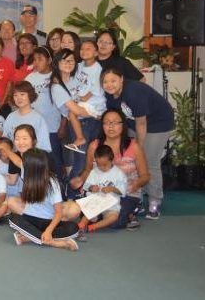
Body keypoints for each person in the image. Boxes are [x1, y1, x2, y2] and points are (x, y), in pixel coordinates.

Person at [101, 68, 173, 219]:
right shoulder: (109, 95)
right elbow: (116, 117)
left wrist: (138, 147)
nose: (109, 85)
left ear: (121, 79)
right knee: (130, 160)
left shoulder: (134, 92)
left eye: (113, 80)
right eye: (105, 82)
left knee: (148, 161)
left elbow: (141, 123)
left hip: (158, 123)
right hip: (133, 123)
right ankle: (135, 198)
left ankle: (155, 201)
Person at [70, 109, 150, 230]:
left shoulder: (134, 146)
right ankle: (121, 215)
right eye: (106, 122)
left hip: (125, 193)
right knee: (89, 215)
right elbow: (88, 170)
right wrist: (80, 179)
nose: (110, 126)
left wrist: (137, 183)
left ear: (123, 125)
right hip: (100, 193)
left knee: (115, 222)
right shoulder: (94, 146)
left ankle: (132, 209)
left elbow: (145, 175)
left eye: (115, 122)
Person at [7, 149, 79, 251]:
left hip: (48, 222)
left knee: (73, 228)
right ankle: (55, 243)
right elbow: (16, 160)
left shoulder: (52, 183)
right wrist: (6, 150)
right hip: (30, 219)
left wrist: (49, 231)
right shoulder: (26, 174)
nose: (22, 164)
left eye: (24, 163)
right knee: (12, 219)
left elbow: (59, 212)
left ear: (32, 166)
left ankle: (31, 237)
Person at [50, 49, 100, 186]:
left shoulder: (76, 78)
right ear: (57, 63)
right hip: (80, 124)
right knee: (81, 162)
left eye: (71, 60)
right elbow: (77, 111)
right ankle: (71, 192)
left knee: (93, 160)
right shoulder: (56, 87)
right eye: (64, 60)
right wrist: (98, 114)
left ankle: (85, 192)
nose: (68, 63)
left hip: (94, 122)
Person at [77, 144, 127, 240]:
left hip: (111, 203)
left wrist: (113, 189)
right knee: (88, 211)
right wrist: (92, 187)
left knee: (113, 217)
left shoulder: (118, 173)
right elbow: (86, 186)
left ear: (112, 160)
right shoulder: (94, 172)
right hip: (96, 201)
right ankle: (81, 225)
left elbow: (123, 191)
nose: (101, 167)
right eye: (98, 164)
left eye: (104, 165)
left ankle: (93, 227)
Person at [26, 47, 64, 173]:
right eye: (34, 59)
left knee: (55, 161)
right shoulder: (30, 78)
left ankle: (58, 184)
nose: (36, 62)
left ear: (49, 60)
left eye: (40, 59)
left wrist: (63, 125)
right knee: (37, 162)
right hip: (34, 128)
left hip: (52, 127)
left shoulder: (57, 77)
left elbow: (65, 105)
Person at [3, 81, 52, 153]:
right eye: (15, 95)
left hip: (32, 158)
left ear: (30, 95)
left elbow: (43, 147)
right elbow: (5, 139)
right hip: (13, 157)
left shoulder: (38, 119)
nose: (19, 98)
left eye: (22, 94)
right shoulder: (11, 116)